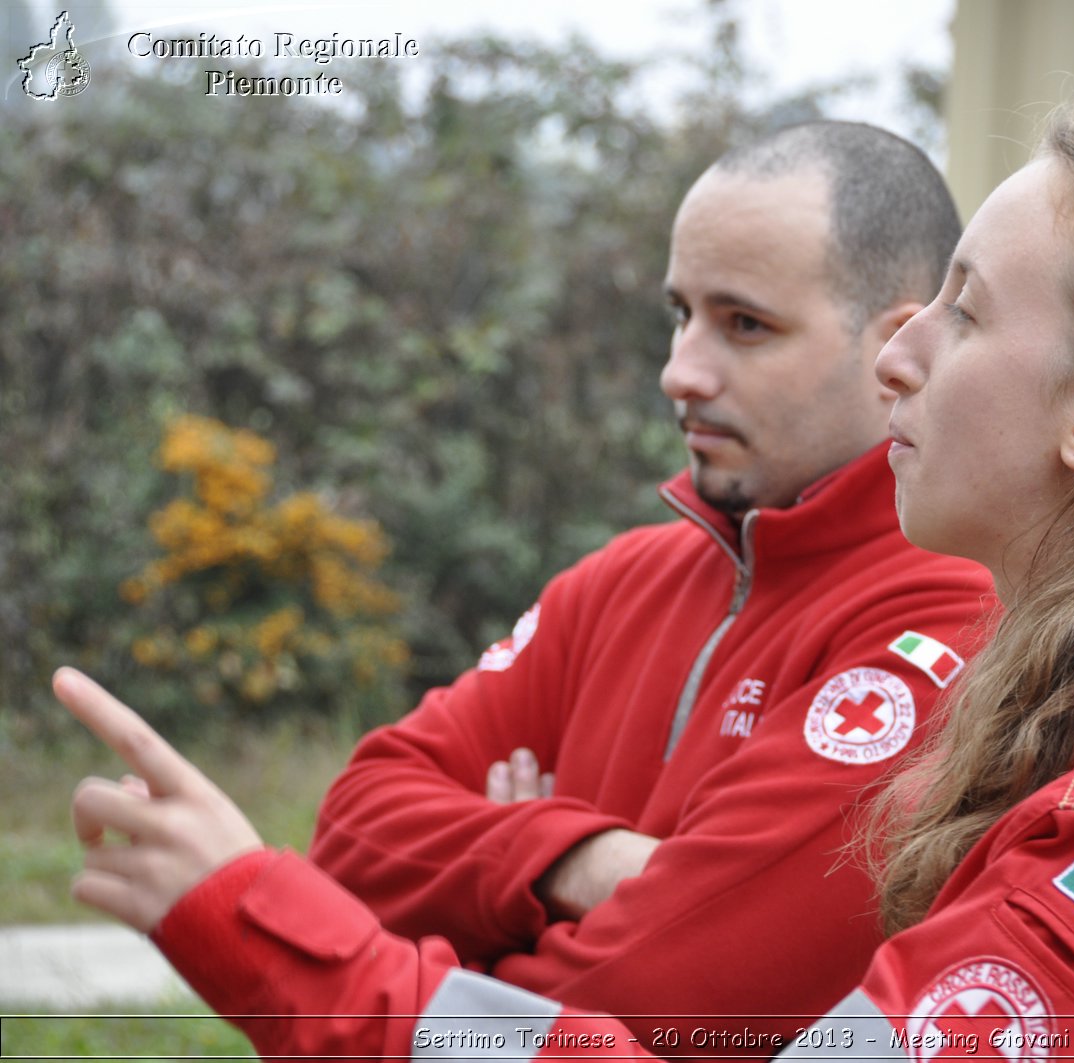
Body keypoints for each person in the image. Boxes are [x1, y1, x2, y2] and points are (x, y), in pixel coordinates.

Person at [56, 100, 1074, 1061]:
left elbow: (648, 1013)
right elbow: (377, 812)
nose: (904, 354)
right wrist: (574, 856)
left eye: (961, 312)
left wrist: (267, 921)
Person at [296, 119, 990, 1050]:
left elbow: (659, 1000)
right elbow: (348, 835)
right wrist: (570, 859)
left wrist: (472, 928)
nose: (680, 371)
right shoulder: (618, 581)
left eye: (745, 324)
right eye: (679, 314)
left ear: (897, 345)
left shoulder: (947, 616)